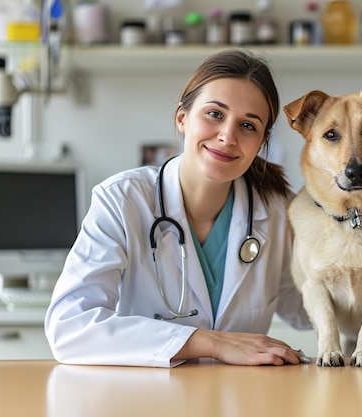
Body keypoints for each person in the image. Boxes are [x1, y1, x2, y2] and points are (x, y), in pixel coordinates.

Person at [44, 49, 312, 367]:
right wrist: (209, 343)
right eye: (215, 114)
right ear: (182, 118)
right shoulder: (122, 201)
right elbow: (69, 327)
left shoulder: (278, 211)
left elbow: (305, 310)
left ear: (262, 142)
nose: (228, 136)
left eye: (248, 126)